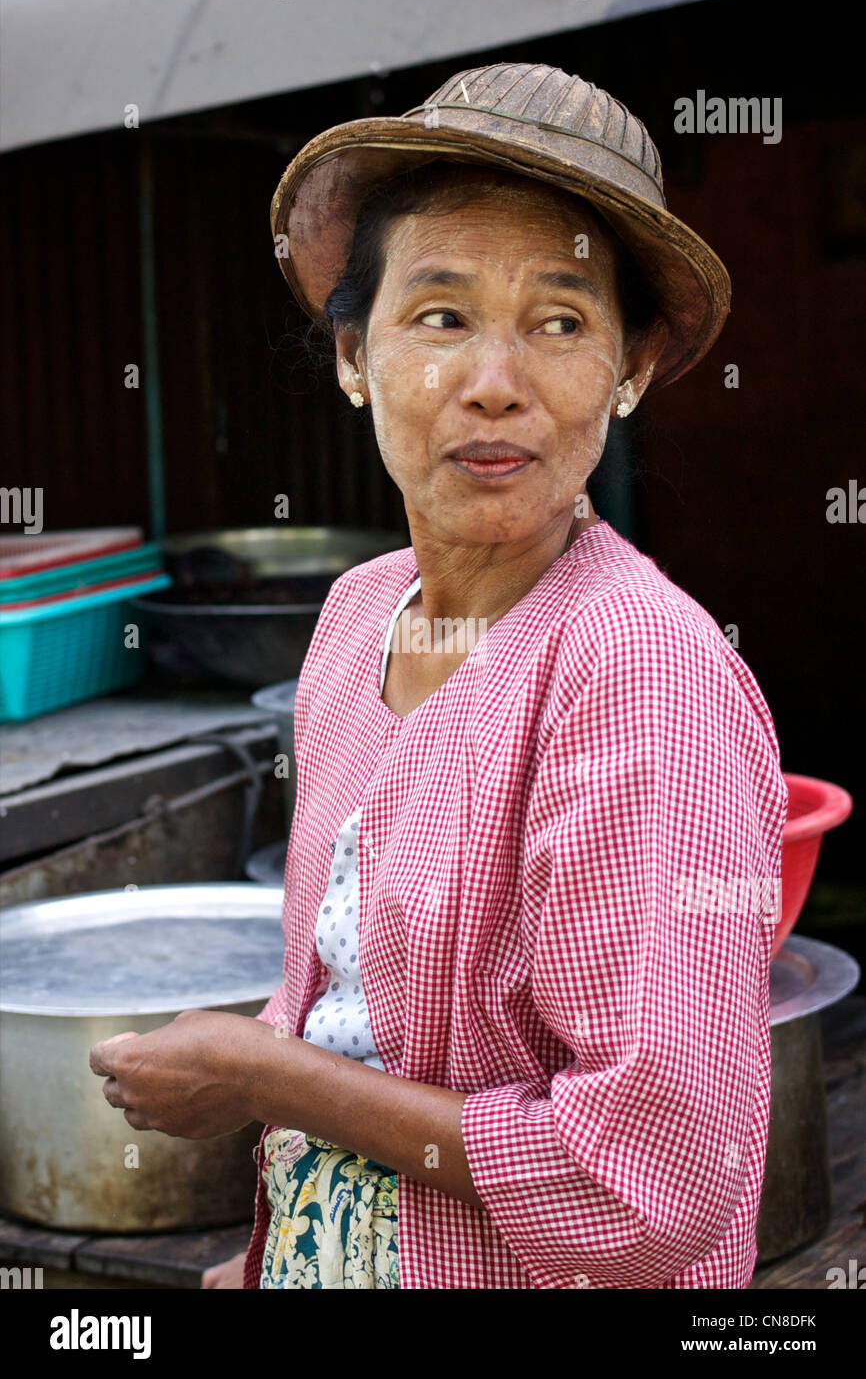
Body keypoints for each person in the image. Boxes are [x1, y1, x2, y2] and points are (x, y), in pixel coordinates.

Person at [91, 63, 788, 1290]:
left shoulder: (634, 671)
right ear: (355, 357)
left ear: (626, 370)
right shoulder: (361, 613)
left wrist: (258, 1080)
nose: (494, 383)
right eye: (441, 313)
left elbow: (653, 1181)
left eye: (561, 321)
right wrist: (281, 1243)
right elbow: (347, 994)